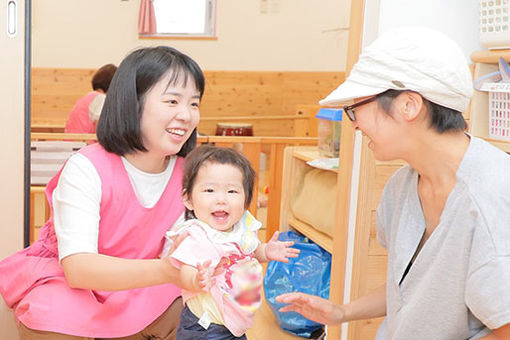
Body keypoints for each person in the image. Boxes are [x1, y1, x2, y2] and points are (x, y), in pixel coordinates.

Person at [276, 27, 510, 339]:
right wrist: (342, 312)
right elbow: (408, 288)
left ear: (409, 105)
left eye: (355, 108)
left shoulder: (491, 194)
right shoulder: (401, 187)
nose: (355, 123)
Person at [0, 46, 206, 339]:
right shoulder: (87, 167)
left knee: (200, 313)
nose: (186, 115)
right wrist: (169, 270)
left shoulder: (189, 173)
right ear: (131, 103)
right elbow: (79, 268)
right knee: (52, 314)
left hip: (145, 285)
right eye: (172, 100)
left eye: (194, 104)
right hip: (74, 284)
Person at [165, 145, 300, 339]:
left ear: (246, 201)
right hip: (206, 326)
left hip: (235, 322)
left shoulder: (242, 228)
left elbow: (249, 252)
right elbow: (185, 270)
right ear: (189, 199)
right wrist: (197, 279)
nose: (221, 199)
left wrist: (266, 251)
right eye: (209, 190)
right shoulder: (198, 236)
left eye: (232, 192)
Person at [64, 63, 117, 133]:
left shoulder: (89, 97)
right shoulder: (101, 98)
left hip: (72, 140)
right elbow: (99, 130)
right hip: (82, 141)